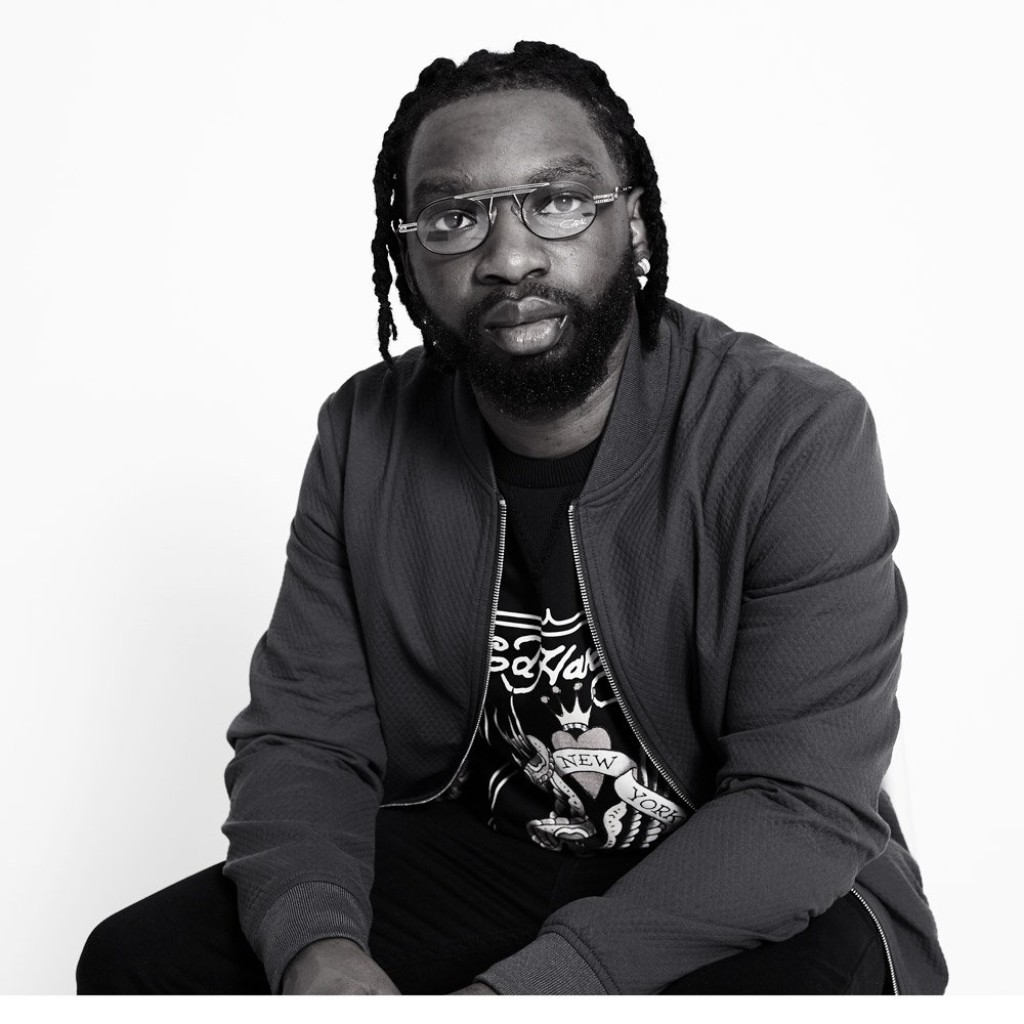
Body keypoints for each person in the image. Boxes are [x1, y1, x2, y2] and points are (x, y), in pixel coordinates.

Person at [77, 41, 948, 996]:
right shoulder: (365, 432)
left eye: (559, 201)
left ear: (634, 223)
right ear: (409, 254)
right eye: (455, 217)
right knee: (138, 961)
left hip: (745, 872)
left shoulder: (791, 431)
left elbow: (799, 801)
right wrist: (318, 950)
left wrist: (526, 993)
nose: (510, 257)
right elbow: (307, 739)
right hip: (495, 850)